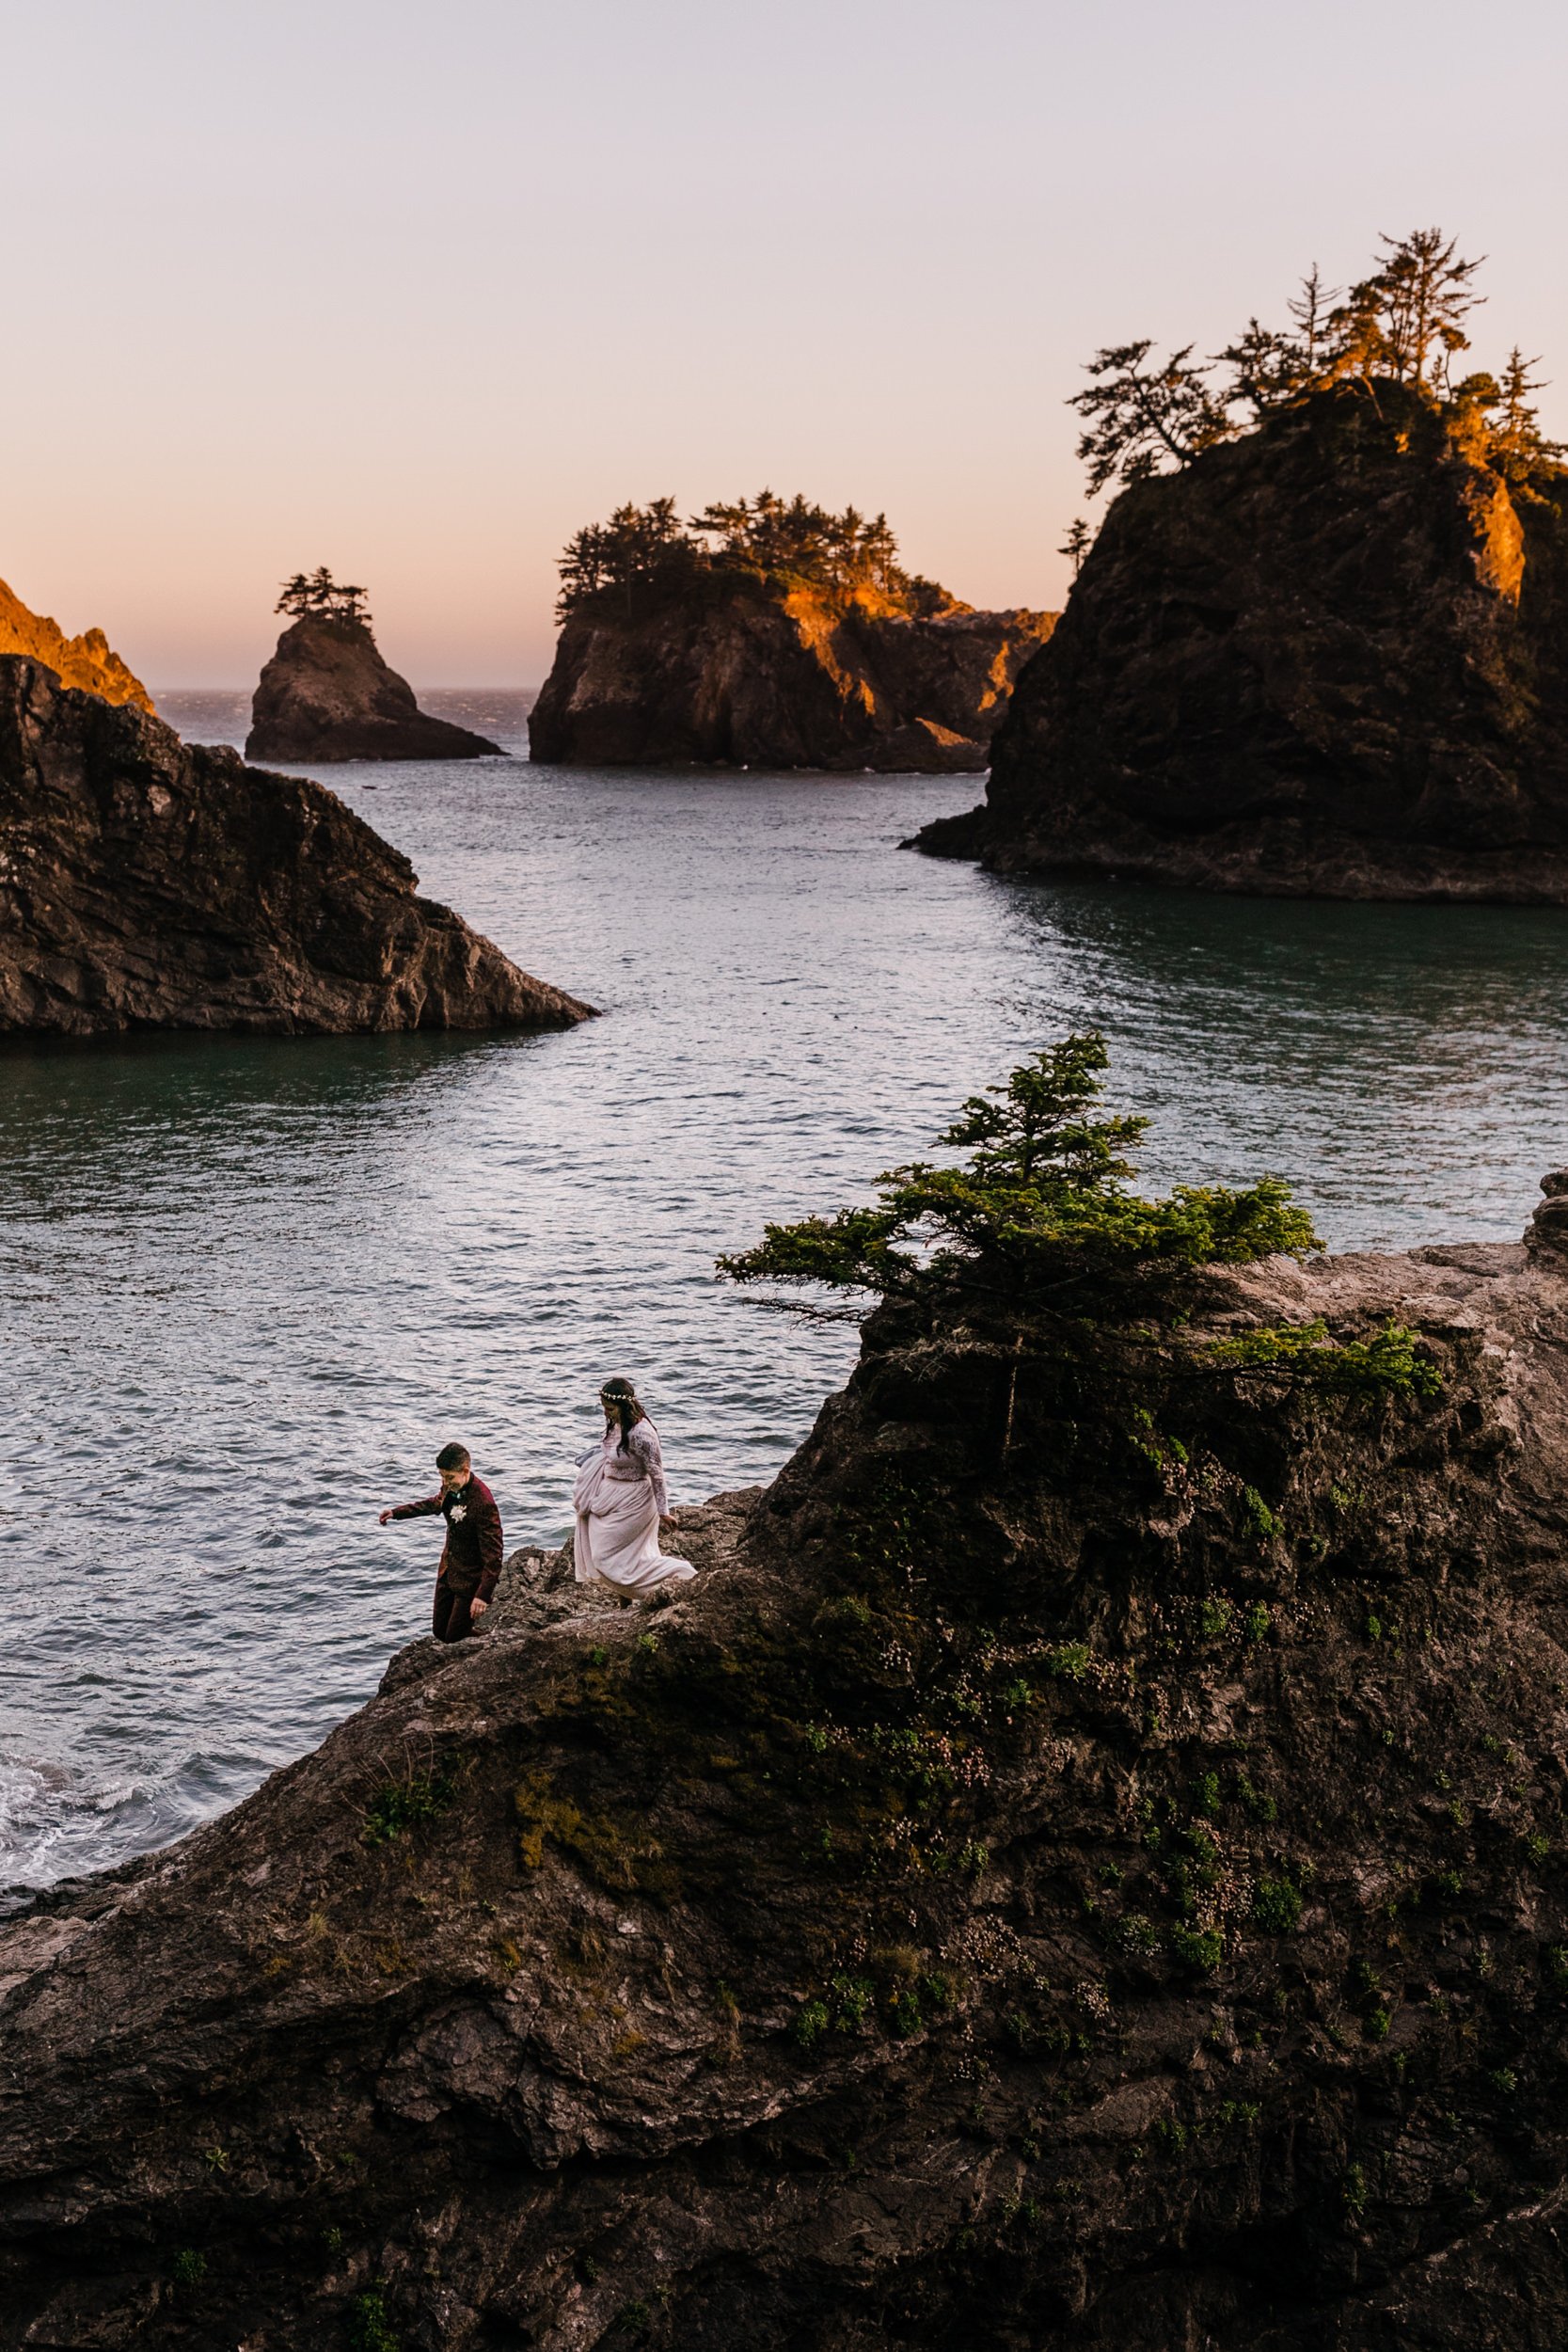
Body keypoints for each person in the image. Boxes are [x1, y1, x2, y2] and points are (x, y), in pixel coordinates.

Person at [572, 1378, 696, 1598]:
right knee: (622, 1556)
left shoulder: (642, 1435)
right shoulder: (618, 1424)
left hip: (635, 1500)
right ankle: (626, 1600)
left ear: (624, 1407)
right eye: (604, 1408)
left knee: (605, 1558)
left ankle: (682, 1574)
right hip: (610, 1497)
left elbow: (657, 1474)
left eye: (610, 1409)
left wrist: (663, 1512)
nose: (606, 1413)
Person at [379, 1441, 502, 1642]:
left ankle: (490, 1643)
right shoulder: (450, 1486)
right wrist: (396, 1513)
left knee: (453, 1636)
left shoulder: (483, 1504)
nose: (445, 1482)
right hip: (448, 1569)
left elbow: (494, 1556)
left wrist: (482, 1595)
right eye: (442, 1477)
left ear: (465, 1470)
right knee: (439, 1632)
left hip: (470, 1577)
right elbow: (434, 1504)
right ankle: (481, 1638)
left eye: (449, 1477)